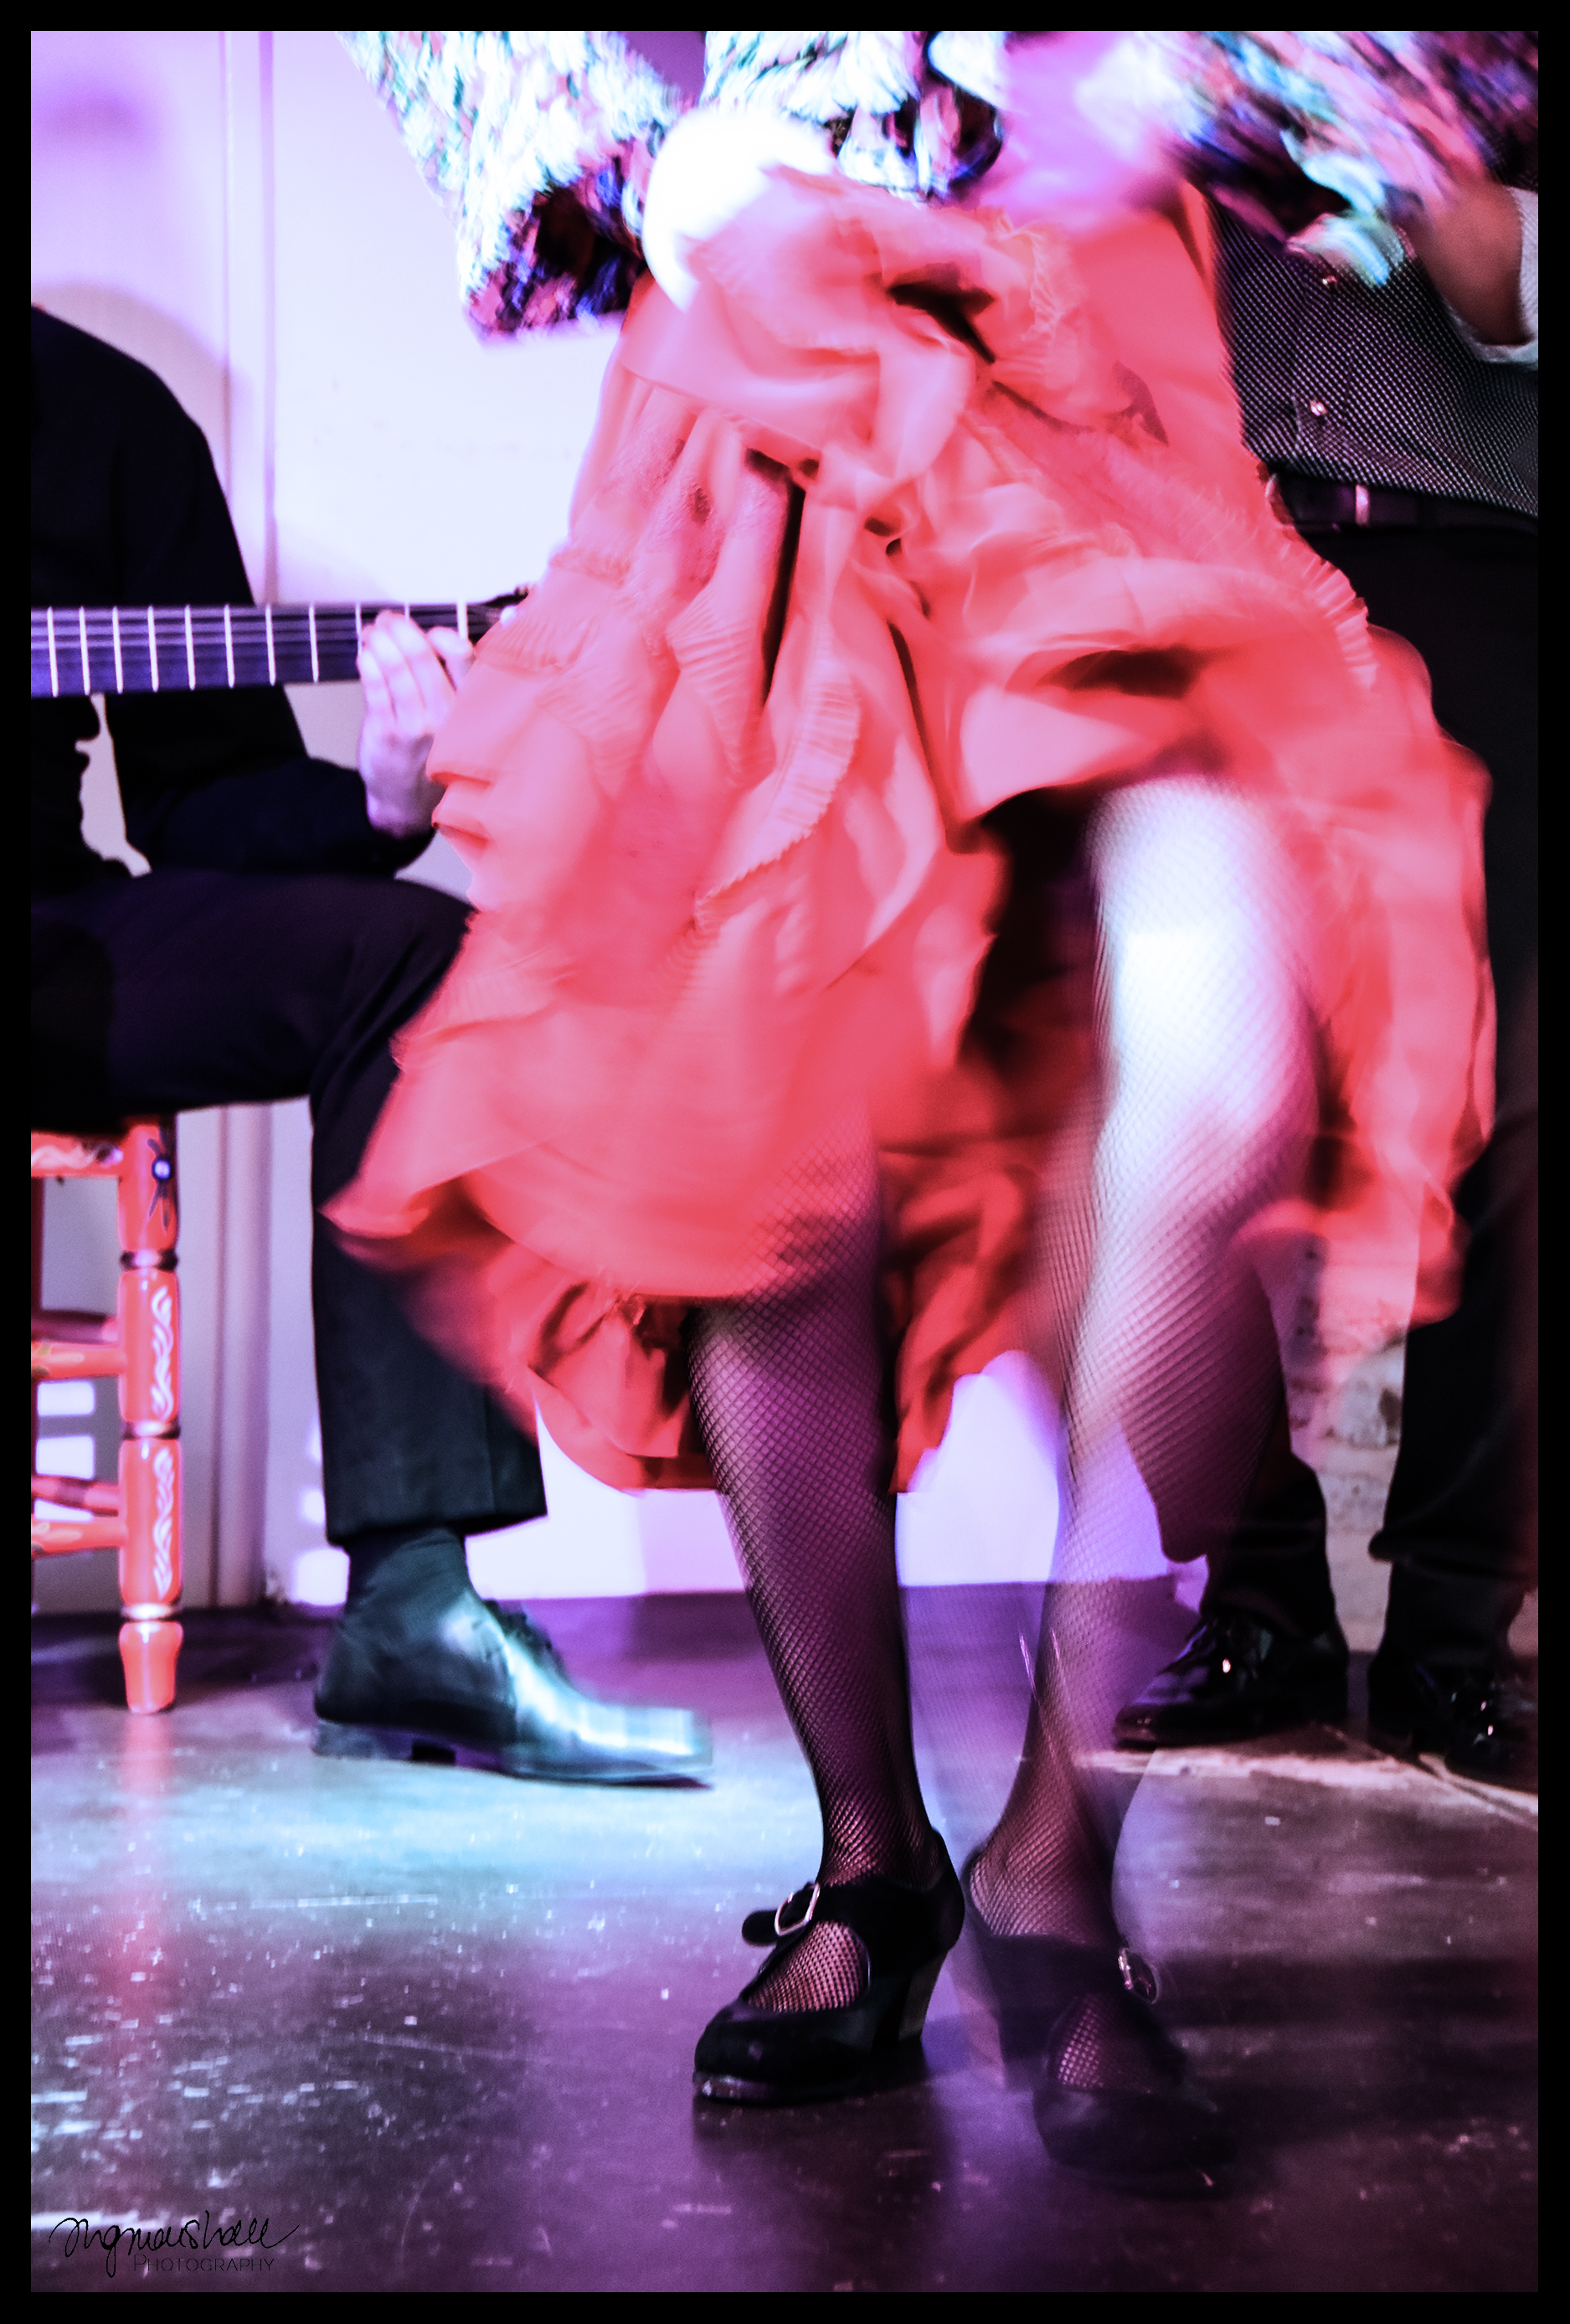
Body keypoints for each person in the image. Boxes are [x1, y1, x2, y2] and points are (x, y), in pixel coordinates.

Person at [336, 30, 1490, 2174]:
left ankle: (1060, 1845)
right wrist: (636, 158)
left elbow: (1412, 91)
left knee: (1213, 1082)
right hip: (779, 348)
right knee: (771, 1149)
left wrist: (1226, 91)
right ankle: (874, 1857)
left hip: (1093, 339)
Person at [30, 305, 708, 1785]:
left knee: (409, 960)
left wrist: (389, 797)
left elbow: (206, 798)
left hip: (47, 948)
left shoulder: (101, 416)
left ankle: (413, 1606)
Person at [1111, 76, 1537, 1793]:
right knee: (1147, 1103)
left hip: (1480, 559)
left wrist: (1389, 114)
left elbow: (1504, 287)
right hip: (1201, 564)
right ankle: (1257, 1593)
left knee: (1506, 1106)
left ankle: (1454, 1634)